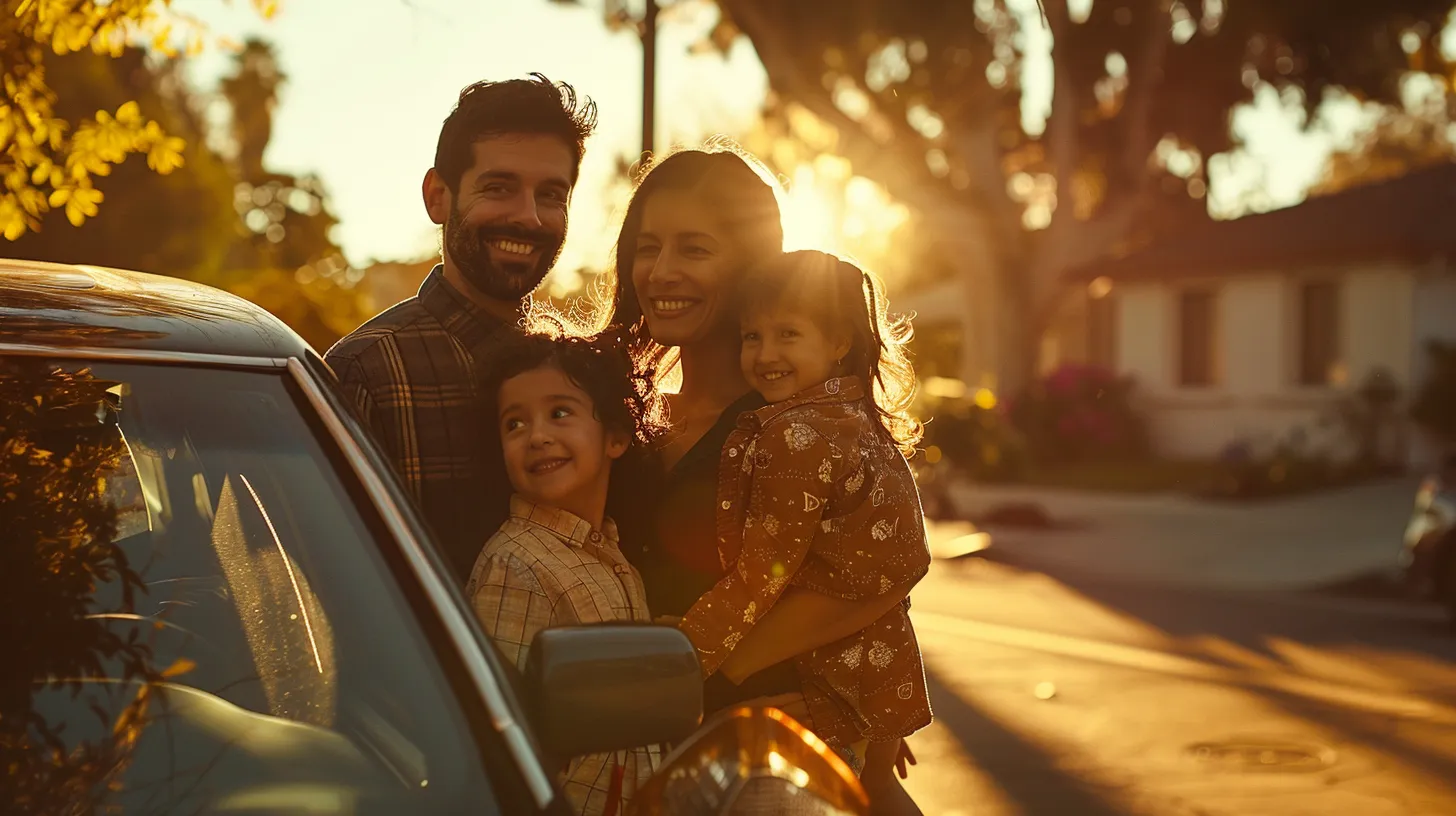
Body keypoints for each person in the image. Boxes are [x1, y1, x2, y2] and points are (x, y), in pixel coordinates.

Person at [590, 141, 922, 804]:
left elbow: (885, 569)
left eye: (695, 249)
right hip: (648, 754)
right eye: (648, 247)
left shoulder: (792, 424)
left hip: (775, 754)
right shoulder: (622, 408)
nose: (661, 271)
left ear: (749, 268)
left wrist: (856, 715)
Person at [679, 250, 931, 812]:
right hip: (876, 671)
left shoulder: (798, 436)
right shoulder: (854, 418)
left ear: (838, 341)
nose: (765, 355)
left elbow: (763, 573)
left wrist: (686, 652)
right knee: (878, 793)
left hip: (828, 679)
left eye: (787, 334)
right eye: (752, 336)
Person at [326, 74, 597, 581]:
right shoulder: (365, 374)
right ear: (438, 197)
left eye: (551, 195)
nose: (529, 218)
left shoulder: (582, 370)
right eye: (499, 188)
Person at [466, 331, 664, 816]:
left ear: (616, 436)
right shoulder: (514, 565)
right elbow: (504, 744)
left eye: (560, 413)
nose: (536, 436)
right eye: (515, 424)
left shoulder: (614, 559)